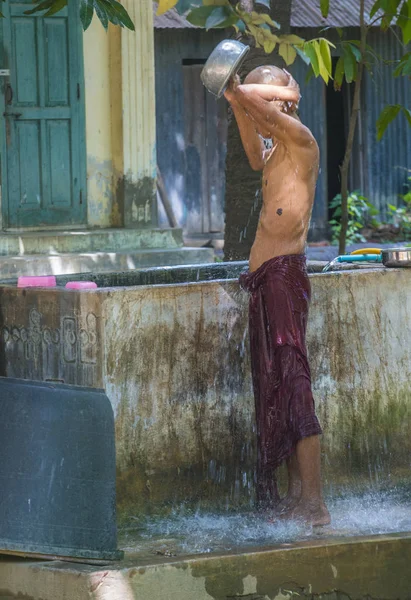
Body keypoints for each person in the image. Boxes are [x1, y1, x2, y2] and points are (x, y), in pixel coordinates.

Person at [224, 65, 330, 527]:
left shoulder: (302, 142)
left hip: (285, 278)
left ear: (284, 104)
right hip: (266, 280)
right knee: (276, 389)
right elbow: (251, 152)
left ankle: (315, 503)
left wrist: (239, 89)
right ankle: (293, 496)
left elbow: (266, 95)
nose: (262, 113)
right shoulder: (271, 154)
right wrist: (234, 103)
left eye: (269, 106)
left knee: (295, 384)